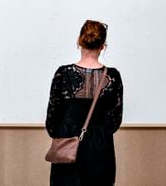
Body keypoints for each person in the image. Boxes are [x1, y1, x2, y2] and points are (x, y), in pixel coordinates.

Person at [45, 19, 123, 186]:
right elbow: (115, 121)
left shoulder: (63, 74)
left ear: (79, 41)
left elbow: (52, 119)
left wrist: (65, 132)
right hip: (101, 150)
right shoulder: (113, 76)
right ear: (103, 46)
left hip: (68, 150)